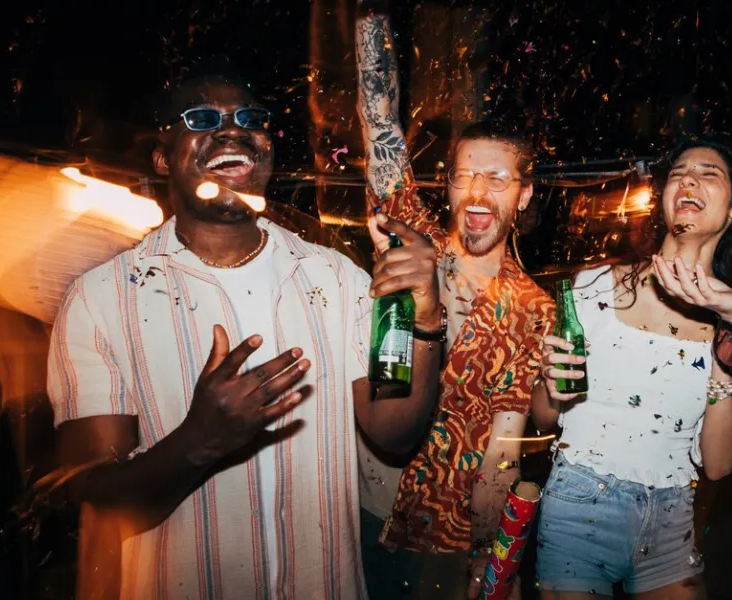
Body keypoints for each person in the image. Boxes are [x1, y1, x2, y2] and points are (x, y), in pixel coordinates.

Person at [48, 58, 445, 599]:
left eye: (249, 117)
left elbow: (392, 431)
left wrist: (424, 320)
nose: (233, 129)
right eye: (203, 119)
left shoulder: (333, 275)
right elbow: (94, 494)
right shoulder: (101, 299)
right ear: (163, 158)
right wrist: (200, 441)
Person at [533, 136, 732, 599]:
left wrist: (730, 349)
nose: (689, 178)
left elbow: (716, 465)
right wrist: (551, 384)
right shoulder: (594, 286)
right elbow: (544, 417)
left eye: (709, 173)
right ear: (664, 199)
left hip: (673, 515)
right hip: (579, 501)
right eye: (678, 173)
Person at [354, 5, 554, 598]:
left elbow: (506, 448)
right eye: (466, 175)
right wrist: (369, 18)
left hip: (445, 543)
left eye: (498, 179)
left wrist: (490, 566)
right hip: (364, 513)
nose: (478, 191)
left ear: (523, 196)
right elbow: (380, 125)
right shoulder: (411, 242)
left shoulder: (532, 309)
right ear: (448, 185)